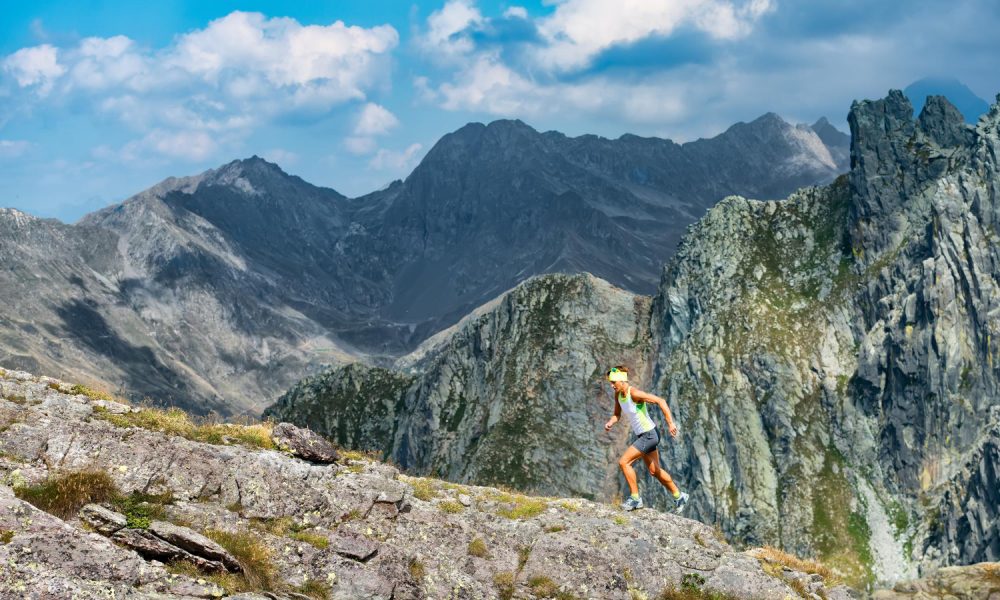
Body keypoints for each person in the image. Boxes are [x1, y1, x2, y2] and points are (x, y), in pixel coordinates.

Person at [604, 365, 689, 513]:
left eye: (613, 382)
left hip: (649, 434)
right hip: (644, 435)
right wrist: (611, 422)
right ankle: (679, 495)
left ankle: (635, 499)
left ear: (621, 381)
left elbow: (660, 400)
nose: (612, 386)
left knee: (624, 462)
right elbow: (617, 414)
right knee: (654, 470)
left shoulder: (634, 394)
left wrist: (670, 423)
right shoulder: (618, 396)